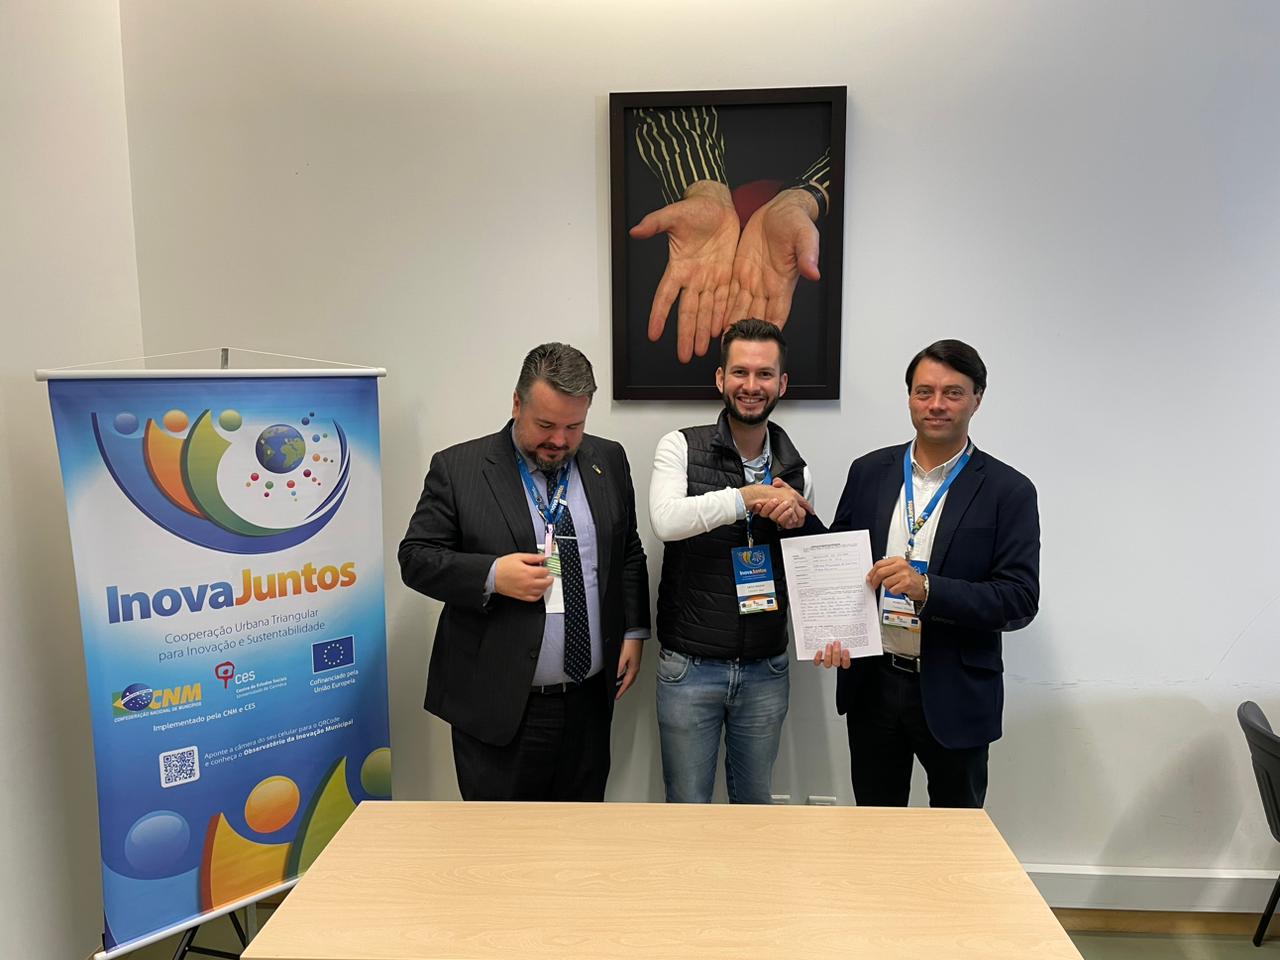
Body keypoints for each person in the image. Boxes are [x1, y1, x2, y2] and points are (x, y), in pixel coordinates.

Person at [398, 343, 650, 801]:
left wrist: (633, 631)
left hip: (588, 705)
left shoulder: (608, 459)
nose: (560, 441)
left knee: (579, 834)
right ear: (517, 404)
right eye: (546, 425)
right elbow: (415, 558)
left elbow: (627, 549)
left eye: (574, 426)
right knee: (500, 840)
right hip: (500, 709)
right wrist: (492, 575)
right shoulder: (460, 468)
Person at [817, 339, 1040, 808]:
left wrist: (928, 589)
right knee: (875, 830)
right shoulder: (869, 472)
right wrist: (832, 629)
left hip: (956, 692)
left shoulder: (1009, 490)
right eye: (924, 392)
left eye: (952, 393)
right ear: (910, 398)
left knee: (956, 836)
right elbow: (841, 562)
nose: (936, 404)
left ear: (977, 398)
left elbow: (1019, 599)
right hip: (873, 686)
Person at [649, 318, 817, 803]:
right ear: (720, 378)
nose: (751, 385)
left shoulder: (798, 469)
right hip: (690, 668)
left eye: (765, 374)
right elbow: (665, 521)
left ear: (782, 384)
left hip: (767, 669)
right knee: (688, 810)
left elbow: (805, 566)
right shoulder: (679, 445)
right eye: (740, 372)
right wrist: (746, 497)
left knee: (755, 811)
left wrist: (798, 523)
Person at [629, 105, 831, 362]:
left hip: (797, 281)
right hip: (685, 263)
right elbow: (667, 103)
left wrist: (809, 196)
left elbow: (857, 147)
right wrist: (704, 187)